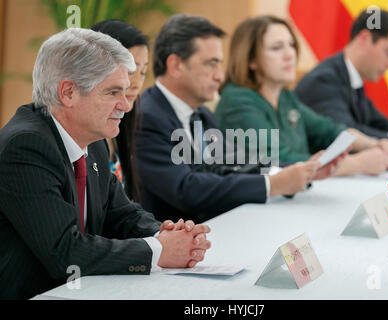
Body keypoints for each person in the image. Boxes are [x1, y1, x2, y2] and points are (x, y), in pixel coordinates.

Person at [0, 28, 211, 300]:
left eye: (124, 91)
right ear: (69, 92)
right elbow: (65, 254)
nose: (125, 104)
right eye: (112, 92)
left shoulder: (94, 139)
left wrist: (169, 233)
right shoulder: (25, 147)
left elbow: (121, 214)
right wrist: (159, 251)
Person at [135, 14, 340, 224]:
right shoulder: (147, 118)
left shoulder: (201, 114)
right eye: (211, 64)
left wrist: (301, 171)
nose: (220, 76)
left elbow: (236, 163)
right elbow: (186, 190)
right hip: (176, 245)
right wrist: (272, 184)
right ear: (176, 65)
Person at [215, 15, 388, 177]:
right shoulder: (237, 101)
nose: (290, 54)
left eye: (291, 45)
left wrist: (372, 145)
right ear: (251, 60)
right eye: (277, 48)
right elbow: (278, 161)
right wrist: (359, 164)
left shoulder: (285, 96)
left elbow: (328, 130)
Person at [294, 9, 388, 152]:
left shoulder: (352, 78)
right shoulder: (323, 81)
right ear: (364, 38)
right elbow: (345, 132)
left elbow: (377, 120)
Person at [90, 20, 149, 202]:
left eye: (143, 72)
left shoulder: (124, 122)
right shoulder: (85, 132)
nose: (137, 83)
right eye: (131, 71)